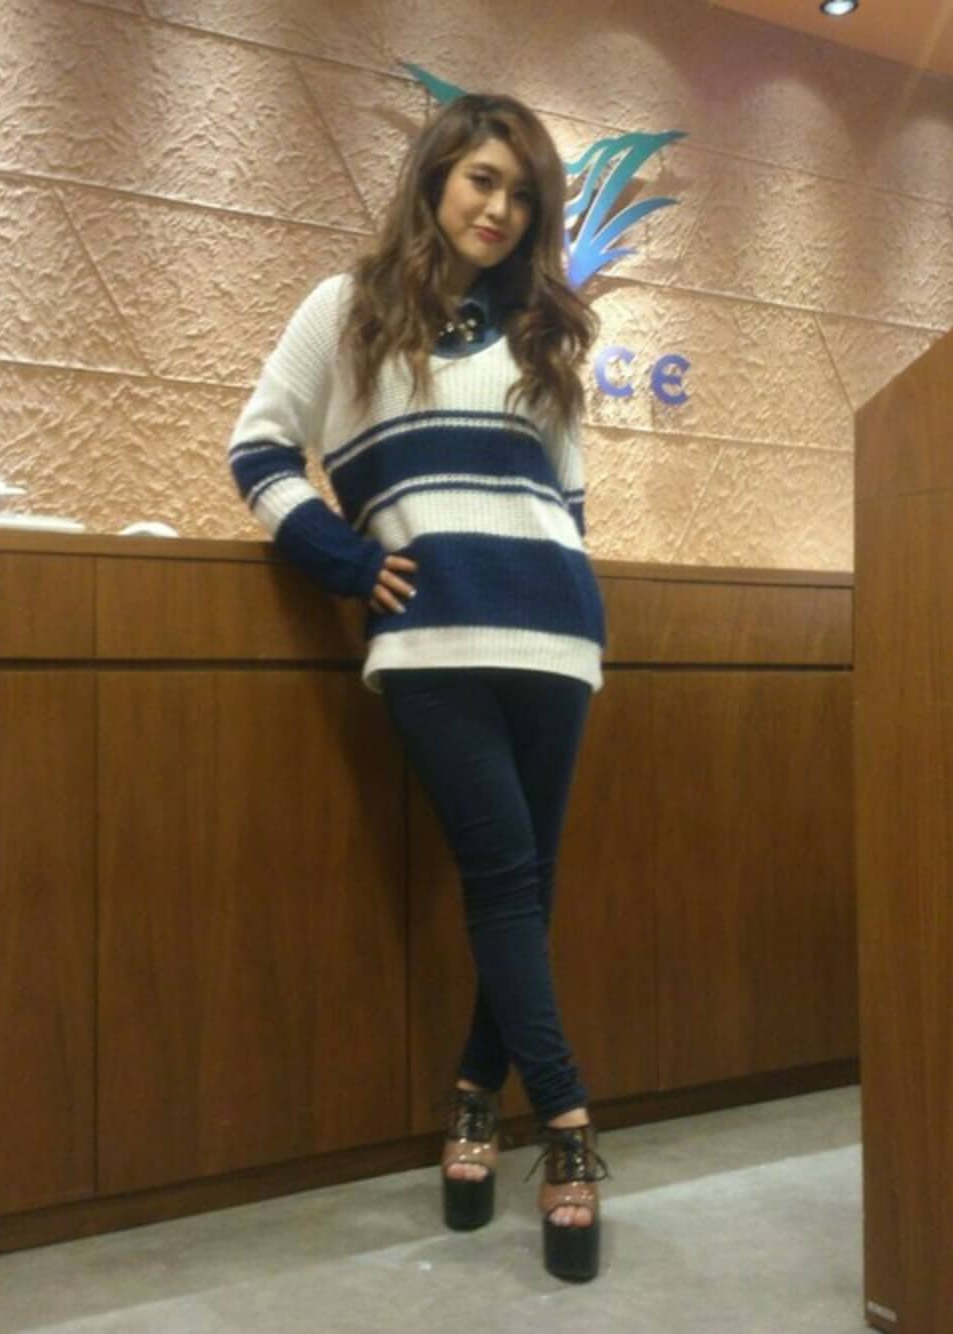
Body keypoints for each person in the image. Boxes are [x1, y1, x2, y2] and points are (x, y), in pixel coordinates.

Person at [228, 92, 609, 1283]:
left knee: (526, 887)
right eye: (482, 179)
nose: (499, 208)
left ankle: (472, 1101)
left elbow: (569, 502)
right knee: (500, 875)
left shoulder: (542, 333)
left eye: (522, 194)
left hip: (555, 639)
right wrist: (344, 561)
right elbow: (257, 446)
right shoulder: (346, 309)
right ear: (436, 176)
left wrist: (577, 598)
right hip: (431, 640)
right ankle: (567, 1121)